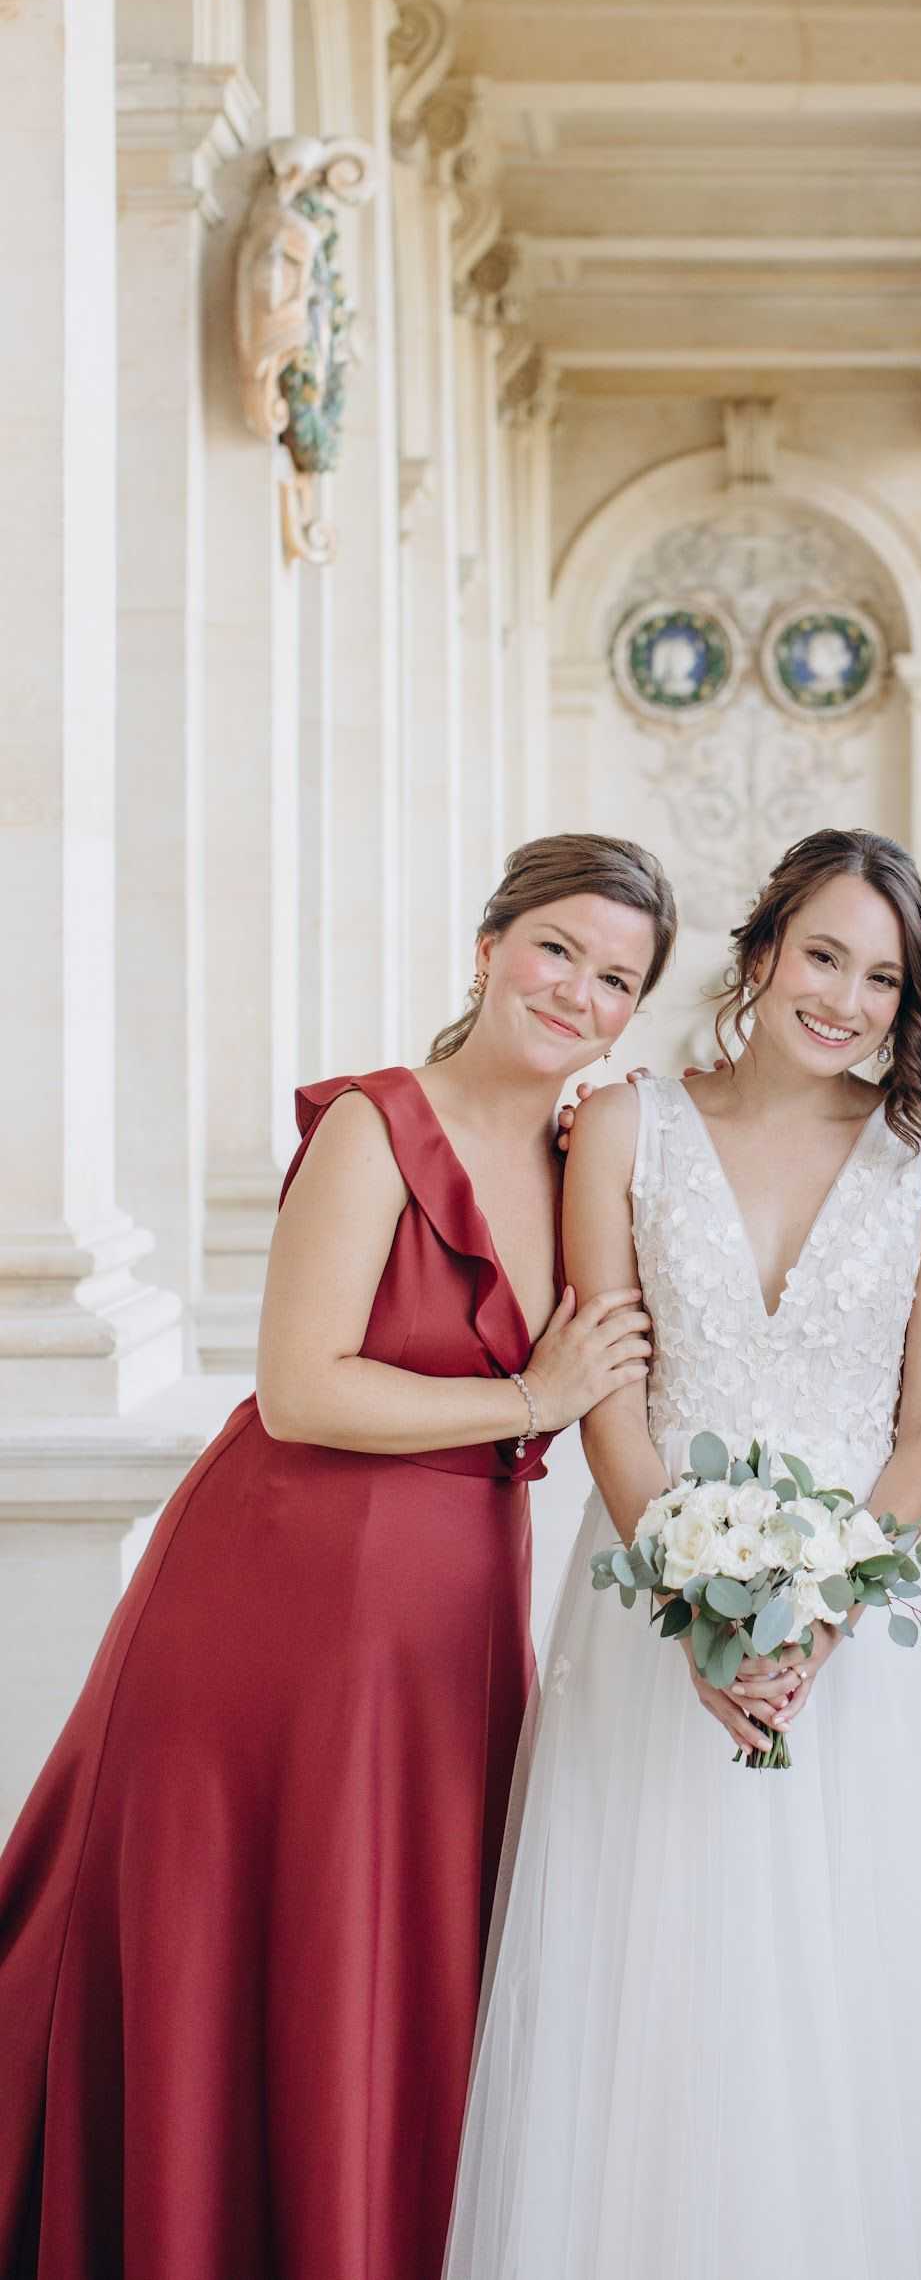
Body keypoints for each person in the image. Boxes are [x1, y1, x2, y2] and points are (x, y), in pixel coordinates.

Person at [0, 834, 675, 2280]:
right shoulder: (379, 1124)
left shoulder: (580, 1162)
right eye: (557, 948)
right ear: (490, 943)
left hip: (456, 1603)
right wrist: (526, 1403)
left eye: (617, 979)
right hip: (284, 1590)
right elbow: (301, 1384)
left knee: (395, 1959)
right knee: (254, 1938)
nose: (578, 992)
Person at [443, 829, 921, 2280]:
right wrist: (695, 1611)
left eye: (882, 980)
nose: (841, 997)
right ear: (763, 951)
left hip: (852, 1645)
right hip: (651, 1608)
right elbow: (613, 1393)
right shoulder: (623, 1123)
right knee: (651, 1991)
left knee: (841, 2009)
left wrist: (814, 1626)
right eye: (821, 955)